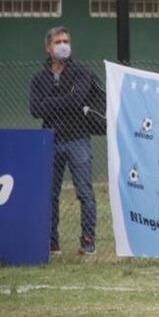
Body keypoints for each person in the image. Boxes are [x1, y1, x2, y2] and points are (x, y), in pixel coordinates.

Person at [29, 26, 99, 255]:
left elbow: (77, 100)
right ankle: (52, 242)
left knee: (85, 193)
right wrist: (65, 100)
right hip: (50, 140)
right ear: (48, 48)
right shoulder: (39, 78)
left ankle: (88, 241)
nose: (63, 45)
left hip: (78, 139)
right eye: (58, 41)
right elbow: (35, 110)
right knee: (50, 193)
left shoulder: (82, 72)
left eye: (66, 41)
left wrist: (50, 102)